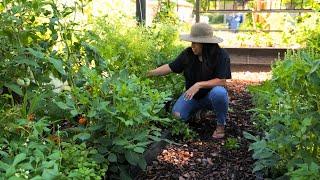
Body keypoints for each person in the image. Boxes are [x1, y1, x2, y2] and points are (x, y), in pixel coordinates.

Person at [147, 23, 231, 139]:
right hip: (193, 97)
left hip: (212, 98)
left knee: (220, 93)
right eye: (192, 42)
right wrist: (148, 73)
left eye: (195, 43)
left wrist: (199, 85)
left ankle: (220, 125)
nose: (192, 46)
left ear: (205, 44)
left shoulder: (221, 55)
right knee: (177, 116)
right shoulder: (188, 54)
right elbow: (170, 67)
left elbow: (222, 81)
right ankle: (197, 112)